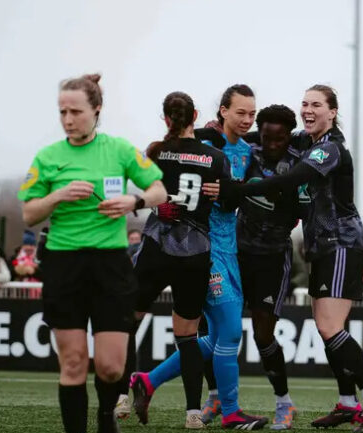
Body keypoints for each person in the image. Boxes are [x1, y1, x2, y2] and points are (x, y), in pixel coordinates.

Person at [211, 84, 363, 432]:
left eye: (317, 105)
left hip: (341, 242)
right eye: (305, 104)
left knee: (329, 327)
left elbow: (291, 179)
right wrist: (215, 130)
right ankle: (348, 404)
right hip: (320, 246)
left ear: (333, 111)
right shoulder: (305, 142)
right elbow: (262, 136)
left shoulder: (331, 149)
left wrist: (238, 189)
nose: (308, 110)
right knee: (327, 331)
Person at [17, 73, 166, 433]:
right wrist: (57, 196)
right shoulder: (48, 157)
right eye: (62, 112)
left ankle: (105, 420)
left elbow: (160, 190)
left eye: (76, 112)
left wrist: (134, 200)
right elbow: (29, 213)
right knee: (72, 363)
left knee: (112, 367)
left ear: (96, 110)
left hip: (110, 266)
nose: (68, 120)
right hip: (63, 265)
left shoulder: (118, 149)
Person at [131, 84, 268, 430]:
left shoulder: (248, 148)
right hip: (202, 248)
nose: (247, 120)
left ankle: (149, 382)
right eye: (240, 112)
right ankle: (229, 410)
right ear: (221, 111)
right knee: (229, 333)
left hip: (227, 248)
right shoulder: (206, 145)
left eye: (252, 114)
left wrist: (231, 190)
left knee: (214, 335)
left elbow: (237, 196)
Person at [235, 104, 302, 429]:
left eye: (279, 138)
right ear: (260, 135)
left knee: (263, 334)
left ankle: (284, 403)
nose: (273, 143)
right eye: (267, 137)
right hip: (236, 252)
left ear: (288, 136)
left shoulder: (299, 161)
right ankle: (217, 400)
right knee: (221, 329)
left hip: (273, 257)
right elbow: (223, 136)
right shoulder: (248, 152)